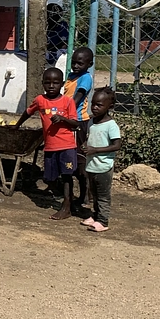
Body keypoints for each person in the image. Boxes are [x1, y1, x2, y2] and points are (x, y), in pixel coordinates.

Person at [11, 67, 79, 220]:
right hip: (50, 146)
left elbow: (75, 124)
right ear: (42, 84)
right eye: (47, 83)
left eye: (55, 83)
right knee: (49, 177)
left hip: (67, 146)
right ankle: (68, 197)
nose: (51, 86)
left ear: (61, 84)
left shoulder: (68, 101)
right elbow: (28, 112)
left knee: (67, 175)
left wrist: (62, 119)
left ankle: (66, 206)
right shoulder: (40, 100)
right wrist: (17, 125)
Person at [81, 87, 121, 233]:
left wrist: (95, 150)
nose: (95, 107)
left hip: (104, 166)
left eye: (99, 105)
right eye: (93, 104)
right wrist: (86, 146)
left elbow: (117, 145)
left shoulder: (111, 125)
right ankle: (96, 216)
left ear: (109, 107)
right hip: (91, 165)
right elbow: (91, 139)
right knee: (94, 193)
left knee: (103, 195)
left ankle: (103, 221)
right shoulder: (92, 122)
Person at [63, 47, 95, 209]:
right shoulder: (71, 76)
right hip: (68, 119)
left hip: (78, 122)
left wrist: (62, 112)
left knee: (79, 159)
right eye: (74, 62)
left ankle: (85, 194)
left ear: (89, 64)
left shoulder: (85, 78)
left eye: (80, 63)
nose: (75, 66)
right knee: (69, 157)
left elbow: (76, 99)